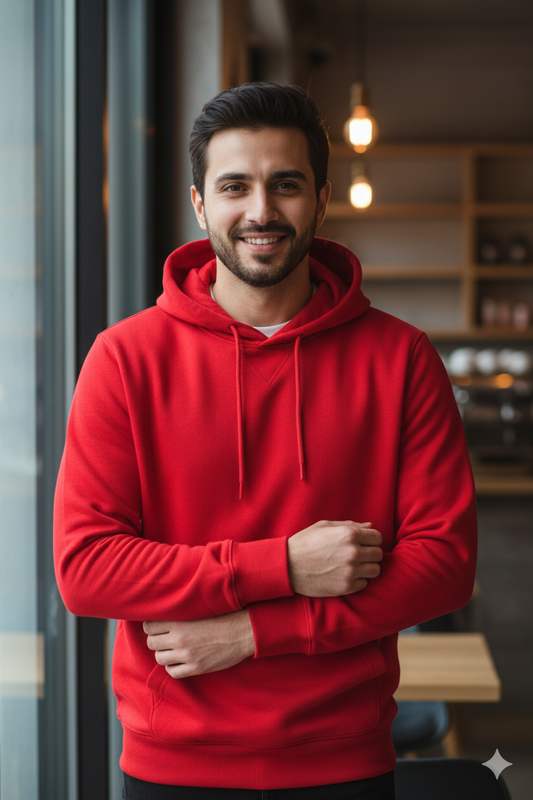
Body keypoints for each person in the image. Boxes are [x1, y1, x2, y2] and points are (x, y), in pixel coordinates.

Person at [54, 82, 477, 800]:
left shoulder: (401, 358)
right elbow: (87, 568)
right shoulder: (124, 359)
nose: (260, 211)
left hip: (344, 764)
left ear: (319, 197)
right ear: (198, 203)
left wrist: (252, 633)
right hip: (170, 767)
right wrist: (282, 564)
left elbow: (443, 566)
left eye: (285, 185)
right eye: (234, 186)